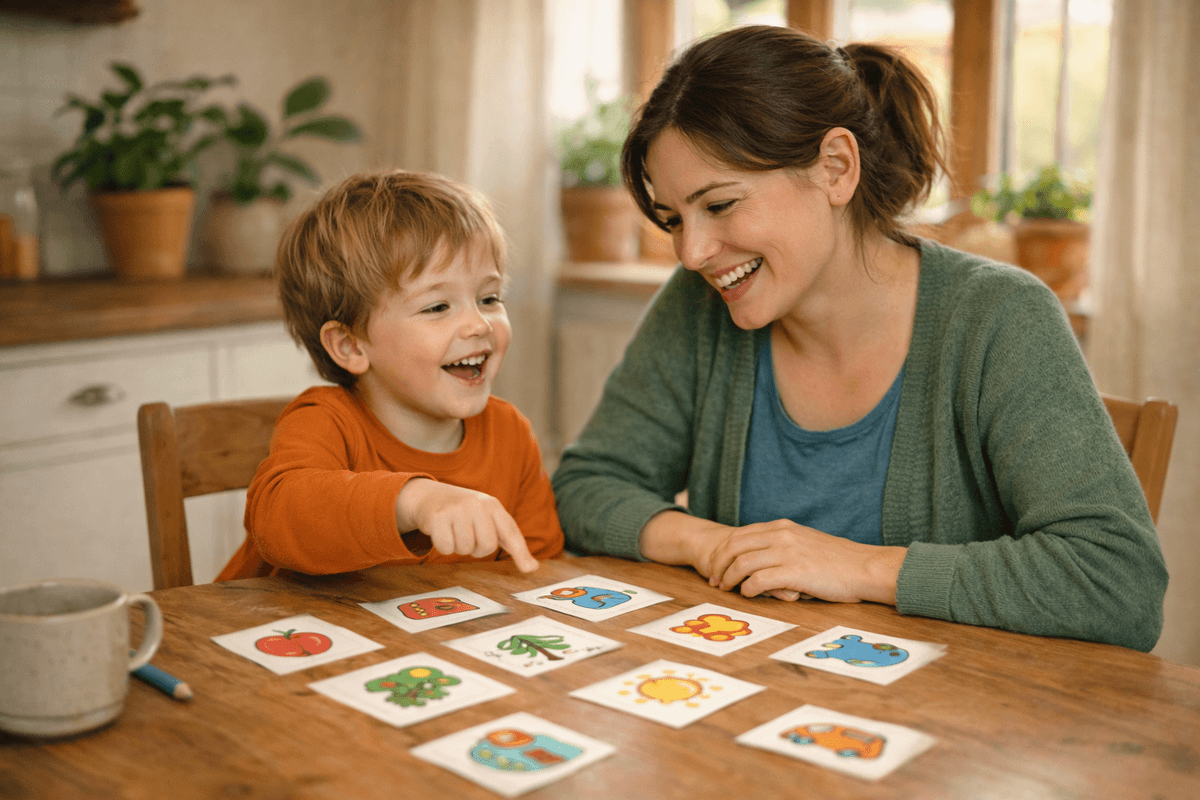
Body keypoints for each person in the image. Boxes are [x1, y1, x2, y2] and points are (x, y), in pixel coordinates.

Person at [550, 25, 1167, 651]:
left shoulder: (998, 318)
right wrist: (713, 543)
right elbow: (585, 486)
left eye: (721, 205)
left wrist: (857, 567)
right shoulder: (698, 306)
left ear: (836, 169)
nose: (693, 253)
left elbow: (1118, 582)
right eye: (674, 220)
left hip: (954, 725)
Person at [217, 170, 563, 581]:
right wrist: (415, 500)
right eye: (437, 307)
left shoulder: (510, 434)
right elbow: (278, 518)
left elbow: (538, 573)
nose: (479, 324)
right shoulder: (323, 422)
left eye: (488, 298)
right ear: (351, 346)